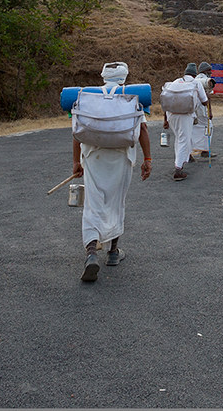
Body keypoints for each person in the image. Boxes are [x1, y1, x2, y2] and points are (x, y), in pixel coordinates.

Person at [72, 62, 152, 283]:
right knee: (116, 202)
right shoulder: (130, 97)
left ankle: (91, 253)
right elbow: (143, 129)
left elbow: (77, 131)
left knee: (93, 204)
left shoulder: (89, 97)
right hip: (121, 157)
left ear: (103, 76)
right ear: (124, 77)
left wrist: (76, 162)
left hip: (93, 157)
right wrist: (148, 159)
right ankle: (113, 252)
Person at [162, 62, 209, 180]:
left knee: (179, 139)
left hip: (171, 115)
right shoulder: (196, 83)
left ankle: (182, 160)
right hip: (185, 115)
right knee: (184, 140)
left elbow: (166, 100)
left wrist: (165, 120)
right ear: (195, 74)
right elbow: (204, 102)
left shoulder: (175, 81)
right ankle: (178, 169)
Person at [191, 61, 215, 158]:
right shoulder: (205, 81)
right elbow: (208, 98)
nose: (211, 72)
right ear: (205, 71)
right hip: (202, 109)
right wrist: (210, 111)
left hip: (193, 109)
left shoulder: (195, 80)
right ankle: (205, 150)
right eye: (209, 70)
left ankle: (190, 152)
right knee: (208, 128)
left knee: (193, 129)